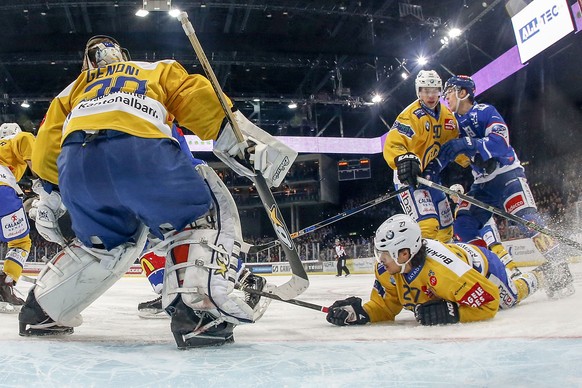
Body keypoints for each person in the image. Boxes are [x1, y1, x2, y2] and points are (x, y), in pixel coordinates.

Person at [19, 35, 297, 348]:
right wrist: (234, 138)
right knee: (201, 217)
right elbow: (194, 95)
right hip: (140, 152)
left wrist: (58, 192)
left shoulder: (73, 89)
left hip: (77, 168)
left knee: (101, 245)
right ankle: (198, 314)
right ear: (124, 55)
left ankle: (41, 312)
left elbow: (44, 151)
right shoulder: (154, 69)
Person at [438, 75, 573, 298]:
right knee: (463, 224)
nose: (446, 97)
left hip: (507, 175)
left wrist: (469, 144)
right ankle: (488, 267)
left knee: (528, 220)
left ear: (463, 93)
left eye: (449, 91)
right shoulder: (452, 125)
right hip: (482, 185)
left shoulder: (485, 111)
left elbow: (501, 142)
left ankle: (560, 270)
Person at [325, 214, 541, 327]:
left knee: (510, 298)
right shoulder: (387, 269)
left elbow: (489, 301)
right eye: (379, 252)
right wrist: (361, 313)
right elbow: (385, 306)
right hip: (458, 264)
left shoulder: (444, 271)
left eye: (385, 254)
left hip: (484, 267)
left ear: (404, 254)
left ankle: (540, 276)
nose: (380, 260)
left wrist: (455, 313)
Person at [383, 70, 469, 243]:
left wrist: (472, 160)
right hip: (410, 177)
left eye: (434, 90)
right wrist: (403, 160)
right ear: (418, 91)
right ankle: (422, 267)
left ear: (440, 91)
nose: (430, 95)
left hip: (432, 178)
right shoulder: (410, 116)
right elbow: (393, 144)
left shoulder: (447, 117)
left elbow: (453, 146)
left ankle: (443, 266)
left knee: (446, 227)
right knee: (428, 226)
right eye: (425, 90)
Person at [0, 123, 36, 312]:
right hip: (3, 189)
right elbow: (26, 144)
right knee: (20, 242)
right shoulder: (18, 138)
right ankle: (5, 284)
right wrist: (41, 184)